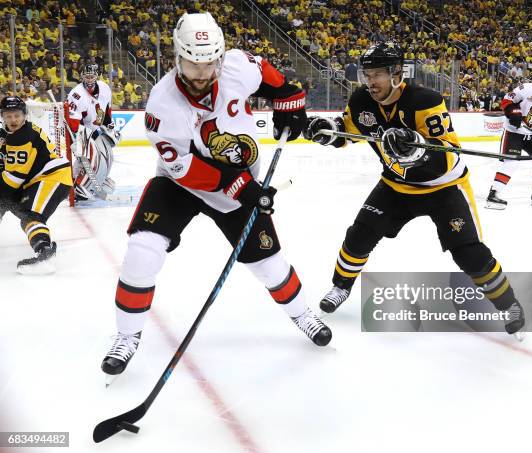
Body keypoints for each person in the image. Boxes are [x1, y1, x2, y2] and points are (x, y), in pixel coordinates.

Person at [101, 13, 331, 379]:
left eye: (210, 63)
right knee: (142, 251)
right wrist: (245, 188)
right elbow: (187, 169)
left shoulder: (236, 67)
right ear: (178, 57)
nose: (203, 72)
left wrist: (291, 105)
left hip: (237, 187)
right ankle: (126, 336)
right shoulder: (162, 104)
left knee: (269, 264)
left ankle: (303, 314)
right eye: (194, 63)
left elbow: (272, 80)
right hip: (181, 186)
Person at [304, 41, 525, 337]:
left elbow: (448, 156)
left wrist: (416, 148)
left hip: (443, 187)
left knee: (469, 254)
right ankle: (340, 287)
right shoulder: (361, 102)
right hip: (396, 185)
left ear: (397, 74)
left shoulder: (424, 101)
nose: (371, 82)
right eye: (367, 75)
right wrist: (327, 132)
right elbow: (347, 132)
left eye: (377, 74)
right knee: (358, 236)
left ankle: (509, 304)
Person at [0, 96, 72, 274]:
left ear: (24, 115)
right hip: (37, 180)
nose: (13, 120)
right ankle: (43, 249)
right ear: (2, 117)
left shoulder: (22, 137)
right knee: (23, 213)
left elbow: (13, 180)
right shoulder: (10, 134)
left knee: (30, 216)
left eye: (17, 115)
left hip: (53, 177)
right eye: (8, 116)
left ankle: (44, 253)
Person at [485, 67, 532, 209]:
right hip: (513, 132)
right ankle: (493, 195)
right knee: (512, 162)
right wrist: (514, 113)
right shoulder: (526, 88)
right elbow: (507, 101)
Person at [64, 63, 120, 201]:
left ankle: (98, 179)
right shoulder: (76, 94)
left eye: (92, 76)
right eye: (86, 76)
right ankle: (77, 185)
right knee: (90, 158)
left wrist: (109, 125)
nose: (89, 80)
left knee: (108, 155)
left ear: (97, 76)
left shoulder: (105, 88)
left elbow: (106, 109)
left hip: (95, 128)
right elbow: (73, 122)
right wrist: (78, 140)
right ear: (82, 76)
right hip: (80, 129)